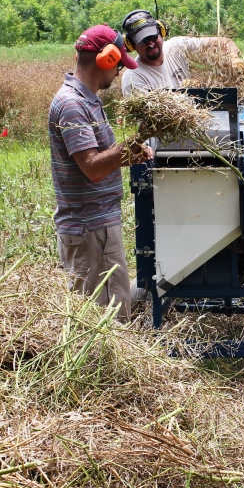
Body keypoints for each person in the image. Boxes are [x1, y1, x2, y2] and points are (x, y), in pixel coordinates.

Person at [48, 24, 153, 320]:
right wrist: (135, 140)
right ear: (105, 59)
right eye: (118, 64)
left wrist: (128, 155)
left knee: (106, 311)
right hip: (91, 229)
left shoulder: (88, 100)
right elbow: (92, 168)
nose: (119, 72)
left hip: (95, 227)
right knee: (109, 319)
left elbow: (100, 160)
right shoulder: (72, 105)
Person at [119, 9, 244, 96]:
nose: (151, 44)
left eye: (152, 37)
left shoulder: (177, 47)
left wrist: (233, 59)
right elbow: (150, 125)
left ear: (161, 32)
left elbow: (224, 42)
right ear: (131, 45)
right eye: (143, 41)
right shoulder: (133, 78)